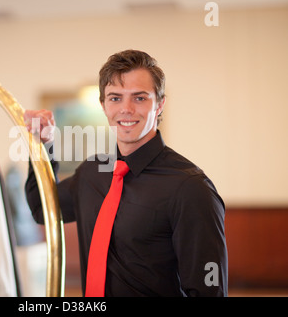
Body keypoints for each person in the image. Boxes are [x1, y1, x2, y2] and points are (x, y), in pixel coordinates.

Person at [24, 49, 227, 297]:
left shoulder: (190, 187)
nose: (126, 109)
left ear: (160, 103)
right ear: (103, 105)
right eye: (115, 98)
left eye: (140, 98)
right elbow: (41, 209)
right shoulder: (91, 173)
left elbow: (209, 292)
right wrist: (41, 145)